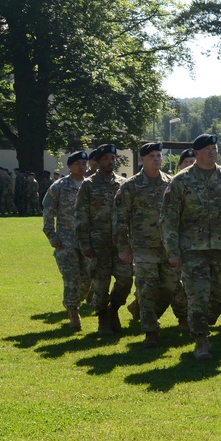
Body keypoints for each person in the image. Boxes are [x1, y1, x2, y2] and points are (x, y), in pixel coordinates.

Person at [161, 134, 221, 360]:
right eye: (207, 148)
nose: (212, 152)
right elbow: (169, 219)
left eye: (214, 148)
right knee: (197, 295)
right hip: (193, 250)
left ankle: (202, 322)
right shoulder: (181, 181)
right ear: (197, 152)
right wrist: (172, 251)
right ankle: (201, 341)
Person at [114, 142, 188, 348]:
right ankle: (150, 331)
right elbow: (120, 219)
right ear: (143, 160)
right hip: (143, 247)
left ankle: (144, 313)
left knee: (172, 286)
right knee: (146, 288)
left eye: (159, 156)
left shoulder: (172, 183)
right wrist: (123, 247)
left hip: (168, 247)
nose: (156, 159)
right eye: (152, 156)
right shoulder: (130, 186)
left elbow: (181, 215)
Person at [75, 143, 132, 336]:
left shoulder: (123, 184)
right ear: (97, 162)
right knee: (100, 283)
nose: (110, 162)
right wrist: (85, 244)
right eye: (106, 159)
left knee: (125, 279)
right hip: (98, 243)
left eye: (112, 158)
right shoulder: (89, 185)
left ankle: (113, 309)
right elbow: (81, 216)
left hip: (120, 243)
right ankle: (102, 320)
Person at [43, 150, 93, 330]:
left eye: (84, 163)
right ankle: (73, 313)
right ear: (70, 166)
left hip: (87, 241)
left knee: (87, 279)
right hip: (65, 241)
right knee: (71, 277)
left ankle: (73, 302)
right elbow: (47, 210)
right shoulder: (59, 186)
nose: (82, 166)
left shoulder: (91, 185)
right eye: (78, 163)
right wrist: (51, 235)